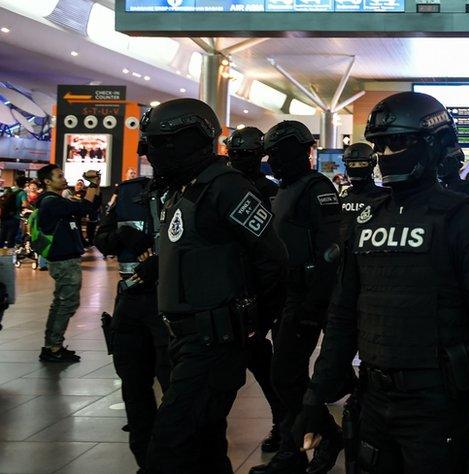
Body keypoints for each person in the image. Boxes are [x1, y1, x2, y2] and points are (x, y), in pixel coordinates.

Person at [294, 91, 469, 474]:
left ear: (432, 145)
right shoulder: (368, 220)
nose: (385, 153)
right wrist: (315, 400)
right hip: (373, 397)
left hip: (436, 404)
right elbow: (343, 316)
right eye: (380, 144)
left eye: (398, 142)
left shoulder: (462, 222)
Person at [141, 99, 286, 474]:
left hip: (214, 343)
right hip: (187, 340)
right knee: (205, 447)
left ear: (191, 141)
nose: (153, 151)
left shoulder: (225, 187)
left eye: (162, 142)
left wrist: (252, 327)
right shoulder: (183, 188)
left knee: (170, 449)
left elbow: (272, 260)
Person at [251, 121, 344, 474]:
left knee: (286, 374)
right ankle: (308, 440)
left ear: (302, 152)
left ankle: (308, 444)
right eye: (271, 154)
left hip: (305, 296)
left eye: (280, 153)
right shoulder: (286, 189)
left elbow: (330, 251)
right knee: (285, 375)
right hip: (286, 293)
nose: (274, 160)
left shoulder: (316, 188)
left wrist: (312, 305)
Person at [93, 174, 171, 471]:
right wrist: (122, 236)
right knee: (134, 387)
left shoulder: (190, 190)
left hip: (170, 304)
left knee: (174, 386)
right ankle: (146, 460)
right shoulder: (127, 193)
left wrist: (162, 261)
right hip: (130, 303)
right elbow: (102, 239)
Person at [225, 125, 287, 455]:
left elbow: (271, 248)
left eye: (246, 155)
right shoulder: (224, 187)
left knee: (264, 362)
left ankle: (287, 422)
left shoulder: (267, 190)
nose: (240, 160)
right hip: (231, 288)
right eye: (236, 154)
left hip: (259, 289)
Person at [35, 164, 100, 362]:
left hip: (64, 258)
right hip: (63, 260)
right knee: (67, 303)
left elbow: (90, 208)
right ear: (47, 181)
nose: (64, 179)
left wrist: (93, 186)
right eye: (59, 176)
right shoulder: (51, 202)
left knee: (60, 302)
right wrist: (93, 183)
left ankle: (52, 345)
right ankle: (53, 347)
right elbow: (87, 206)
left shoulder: (56, 201)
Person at [338, 142, 389, 240]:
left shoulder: (384, 196)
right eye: (352, 164)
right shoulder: (343, 197)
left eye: (362, 164)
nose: (357, 167)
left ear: (372, 164)